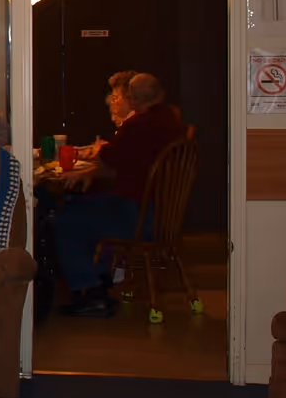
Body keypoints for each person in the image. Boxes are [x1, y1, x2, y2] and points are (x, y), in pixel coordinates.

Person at [54, 72, 187, 315]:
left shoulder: (138, 125)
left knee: (66, 218)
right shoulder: (173, 121)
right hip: (163, 216)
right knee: (92, 207)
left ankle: (91, 291)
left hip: (140, 217)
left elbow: (110, 159)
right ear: (161, 94)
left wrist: (88, 173)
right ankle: (101, 280)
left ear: (132, 100)